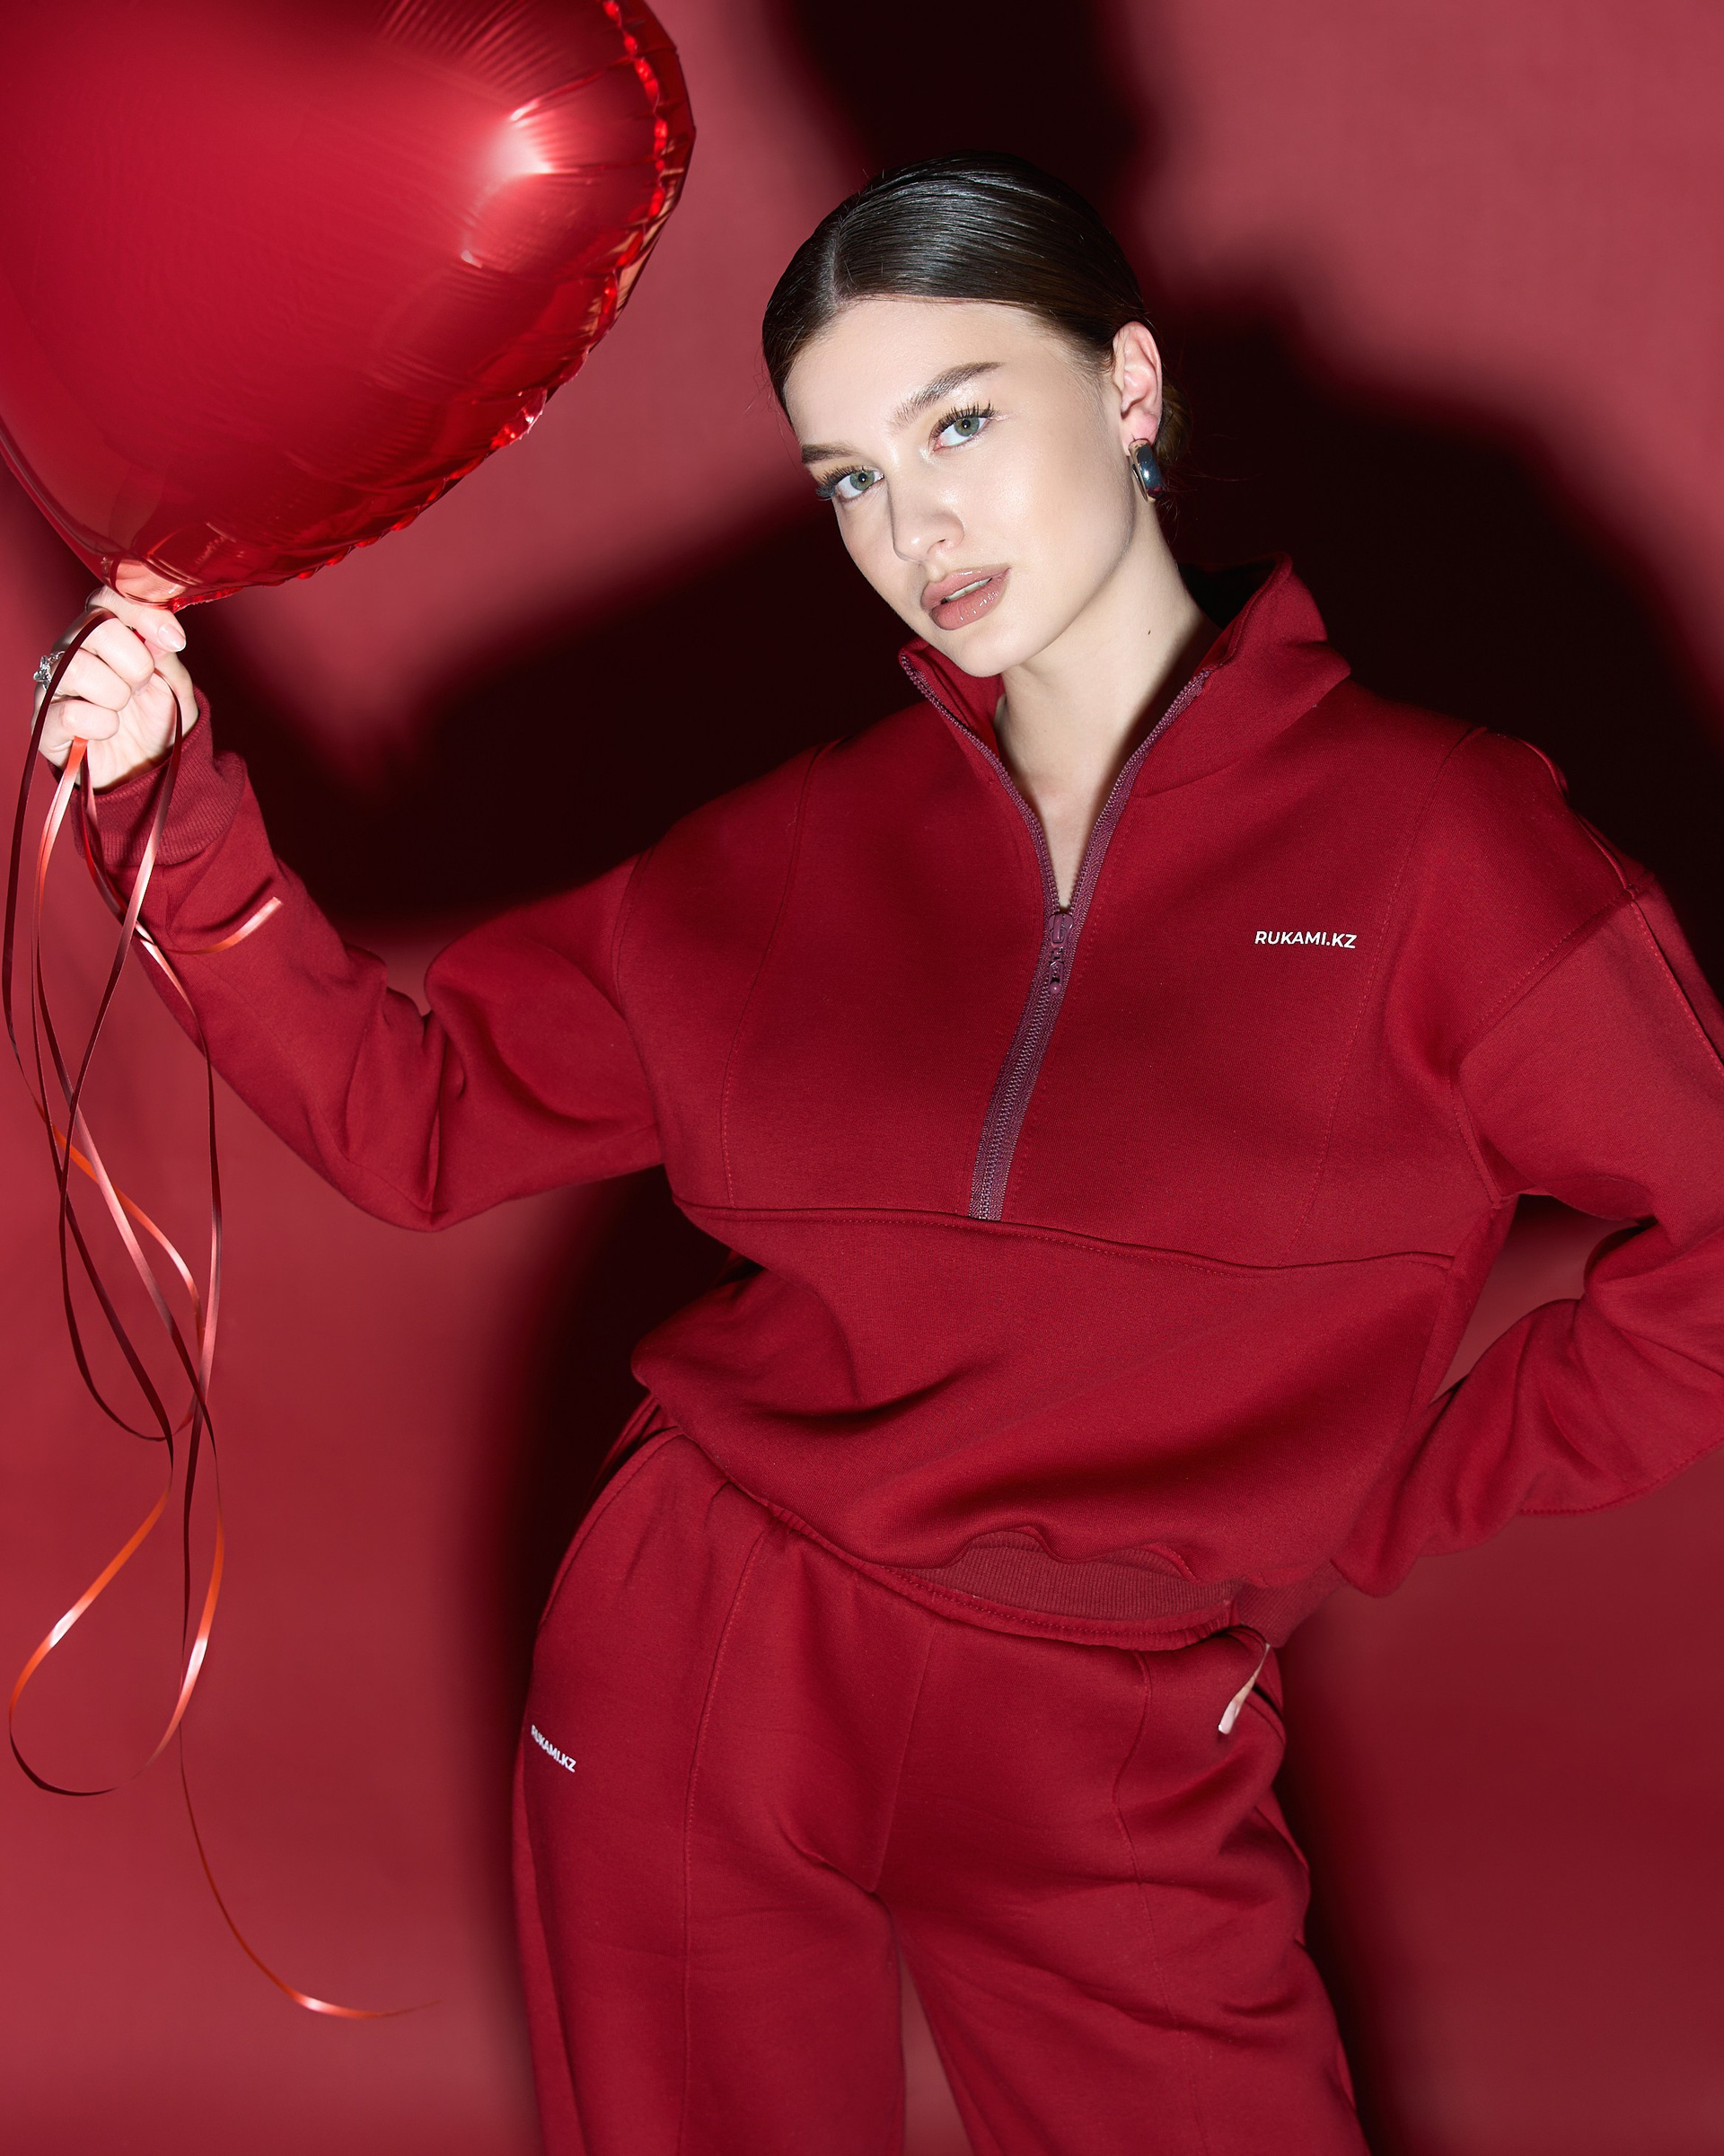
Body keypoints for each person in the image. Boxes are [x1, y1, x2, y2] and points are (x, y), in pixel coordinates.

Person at [33, 154, 1724, 2156]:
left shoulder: (1443, 846)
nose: (914, 527)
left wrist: (1400, 1489)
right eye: (847, 476)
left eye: (960, 423)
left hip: (1111, 1734)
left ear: (1127, 386)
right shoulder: (806, 845)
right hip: (701, 1650)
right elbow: (418, 1120)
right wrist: (167, 810)